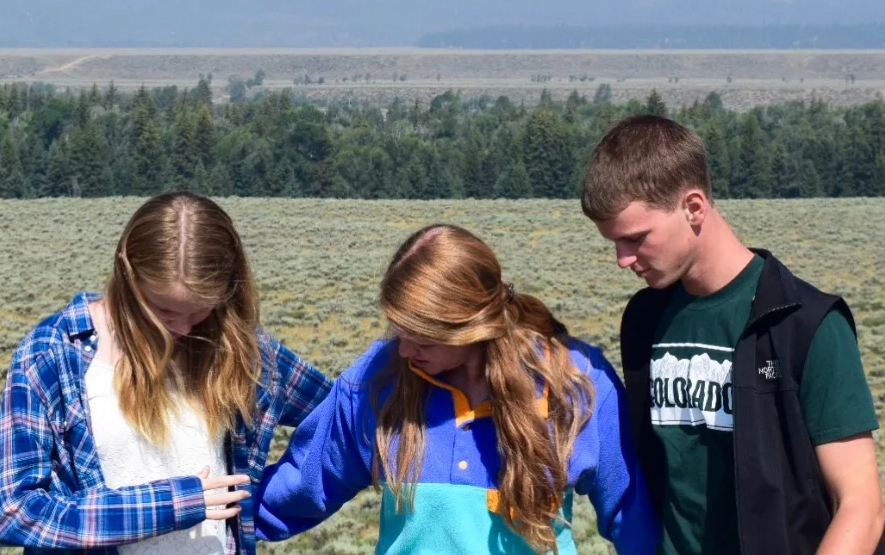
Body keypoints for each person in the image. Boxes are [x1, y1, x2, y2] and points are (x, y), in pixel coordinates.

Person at [580, 115, 885, 555]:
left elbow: (860, 505)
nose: (622, 259)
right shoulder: (644, 318)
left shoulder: (806, 325)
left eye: (635, 239)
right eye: (614, 243)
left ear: (694, 207)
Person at [255, 224, 659, 555]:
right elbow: (302, 487)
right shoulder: (379, 378)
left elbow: (631, 513)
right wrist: (225, 519)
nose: (405, 350)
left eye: (423, 340)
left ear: (473, 326)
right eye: (399, 332)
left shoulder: (573, 380)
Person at [0, 191, 332, 554]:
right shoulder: (52, 353)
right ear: (127, 275)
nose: (183, 328)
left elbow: (341, 416)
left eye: (200, 311)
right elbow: (8, 511)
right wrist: (172, 504)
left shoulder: (238, 346)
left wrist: (273, 501)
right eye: (163, 311)